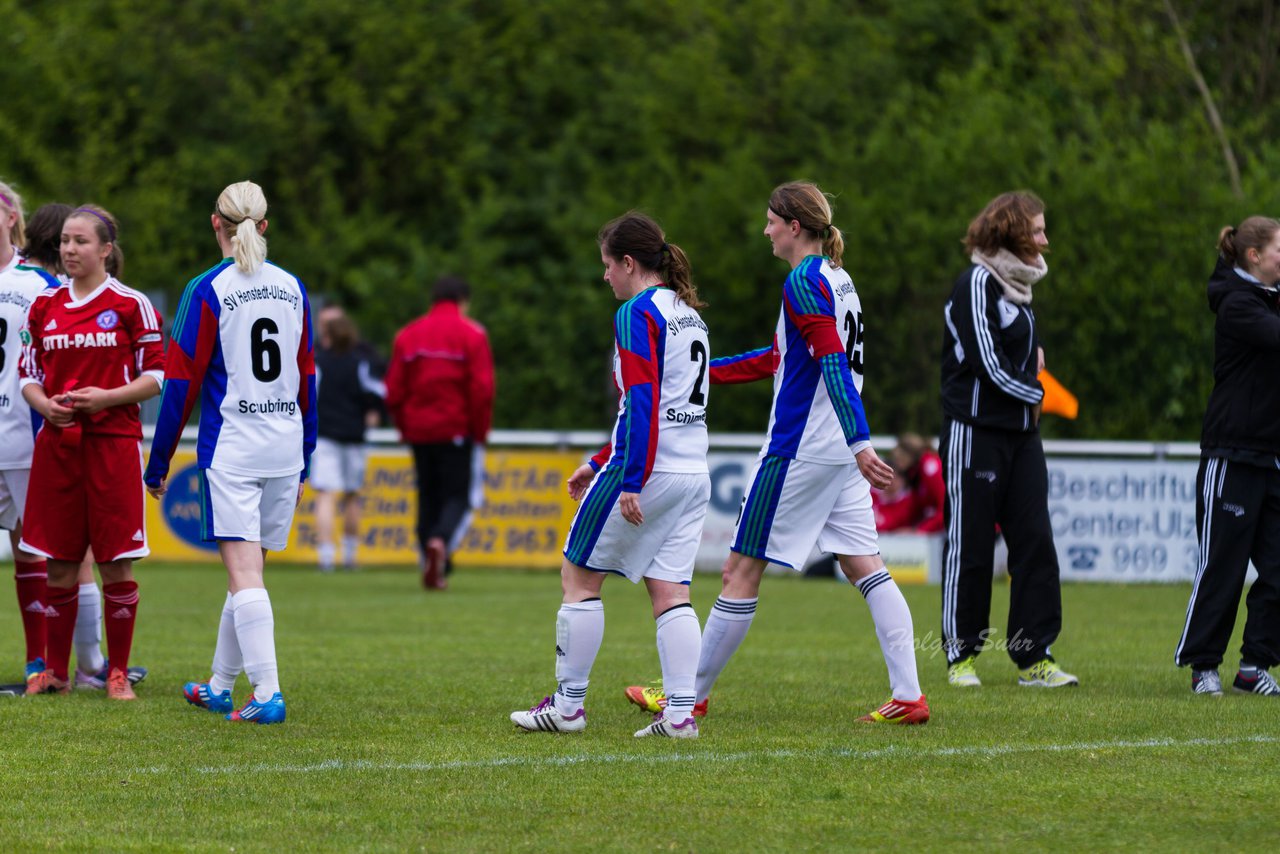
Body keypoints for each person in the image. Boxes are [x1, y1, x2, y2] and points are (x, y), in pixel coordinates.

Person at [626, 181, 929, 725]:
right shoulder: (838, 279)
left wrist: (862, 444)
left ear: (794, 226)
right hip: (835, 448)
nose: (764, 230)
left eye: (770, 221)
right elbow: (780, 356)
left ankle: (687, 696)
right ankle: (909, 695)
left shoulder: (802, 281)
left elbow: (833, 364)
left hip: (802, 450)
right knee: (867, 566)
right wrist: (703, 374)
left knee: (739, 570)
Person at [509, 212, 711, 738]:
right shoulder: (688, 314)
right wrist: (599, 460)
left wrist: (629, 478)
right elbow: (661, 405)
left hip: (650, 467)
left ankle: (568, 707)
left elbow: (644, 403)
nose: (605, 278)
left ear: (628, 263)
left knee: (578, 576)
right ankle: (681, 714)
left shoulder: (635, 313)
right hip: (694, 471)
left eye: (607, 266)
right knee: (671, 591)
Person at [144, 180, 316, 724]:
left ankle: (266, 692)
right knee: (250, 572)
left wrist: (159, 459)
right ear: (264, 226)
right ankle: (220, 685)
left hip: (234, 449)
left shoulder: (207, 289)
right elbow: (308, 376)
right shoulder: (293, 287)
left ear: (214, 223)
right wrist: (306, 450)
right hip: (285, 447)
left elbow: (179, 385)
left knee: (244, 576)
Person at [19, 204, 163, 700]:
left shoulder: (130, 304)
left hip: (112, 446)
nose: (68, 250)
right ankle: (55, 672)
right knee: (58, 562)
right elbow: (28, 376)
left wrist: (106, 398)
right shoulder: (45, 306)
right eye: (63, 240)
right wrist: (46, 405)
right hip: (57, 448)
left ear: (105, 249)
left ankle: (116, 673)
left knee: (115, 561)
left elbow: (157, 377)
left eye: (80, 241)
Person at [938, 190, 1078, 689]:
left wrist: (1032, 384)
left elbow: (1019, 358)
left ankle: (1033, 655)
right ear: (1012, 232)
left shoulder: (1020, 287)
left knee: (1035, 543)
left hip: (1022, 436)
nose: (1045, 239)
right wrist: (1036, 391)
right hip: (974, 434)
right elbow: (987, 365)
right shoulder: (976, 283)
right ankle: (961, 656)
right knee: (971, 544)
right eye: (1037, 230)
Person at [1175, 217, 1280, 697]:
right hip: (1231, 454)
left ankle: (1255, 665)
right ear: (1254, 256)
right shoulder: (1238, 304)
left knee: (1278, 567)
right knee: (1223, 564)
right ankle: (1203, 665)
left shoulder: (1268, 299)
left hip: (1271, 456)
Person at [385, 275, 494, 590]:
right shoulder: (472, 334)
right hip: (456, 429)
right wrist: (479, 431)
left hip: (420, 431)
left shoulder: (409, 335)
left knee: (427, 495)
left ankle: (430, 558)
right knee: (456, 496)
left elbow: (393, 390)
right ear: (462, 301)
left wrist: (404, 428)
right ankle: (440, 542)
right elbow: (482, 389)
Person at [0, 182, 56, 686]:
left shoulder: (38, 284)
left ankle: (38, 663)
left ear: (12, 218)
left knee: (30, 548)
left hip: (20, 438)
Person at [312, 305, 384, 572]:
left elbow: (309, 396)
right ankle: (350, 556)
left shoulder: (318, 362)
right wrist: (373, 413)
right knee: (352, 494)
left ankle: (326, 556)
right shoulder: (360, 361)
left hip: (326, 434)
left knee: (326, 495)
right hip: (354, 435)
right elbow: (376, 393)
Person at [872, 433, 945, 533]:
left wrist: (919, 531)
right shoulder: (916, 472)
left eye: (898, 460)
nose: (897, 465)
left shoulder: (930, 469)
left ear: (906, 456)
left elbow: (945, 508)